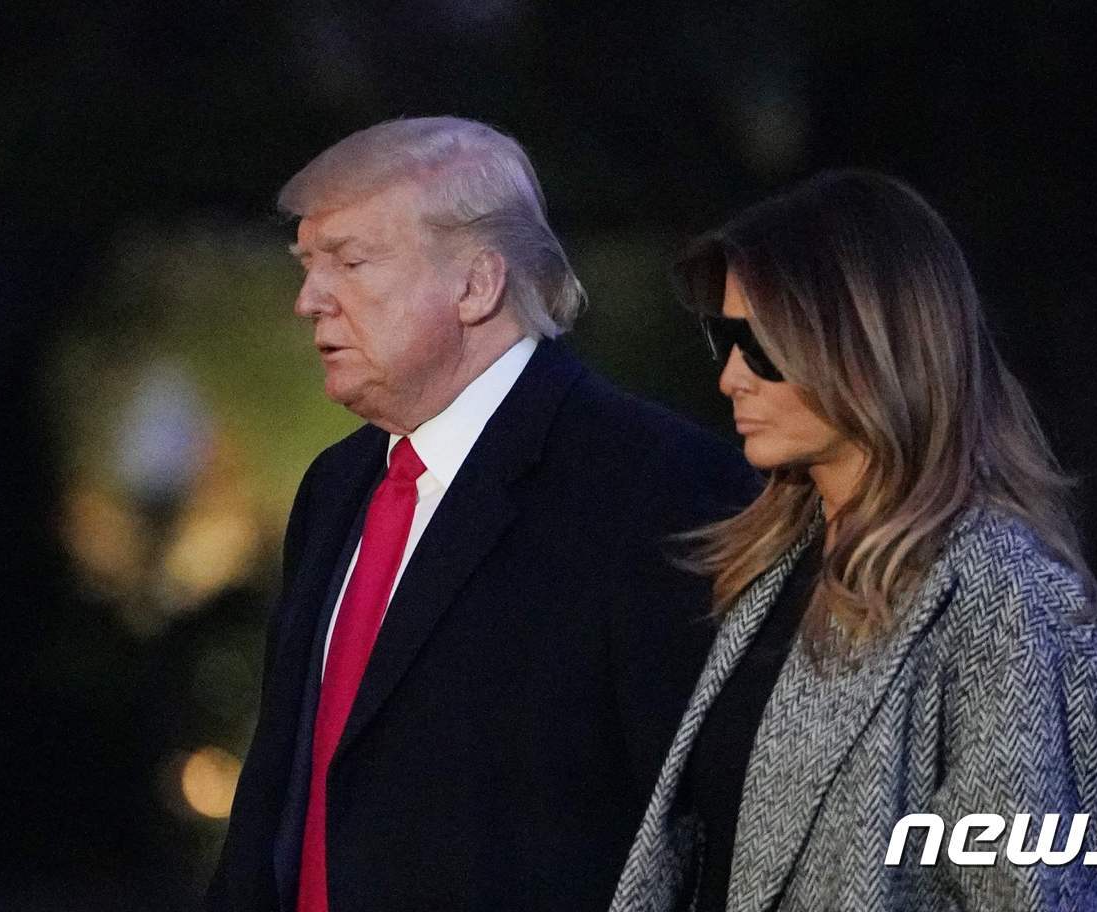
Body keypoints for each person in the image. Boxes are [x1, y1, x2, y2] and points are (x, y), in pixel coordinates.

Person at [205, 117, 763, 912]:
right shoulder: (336, 486)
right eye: (306, 265)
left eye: (351, 262)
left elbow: (709, 829)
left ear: (476, 284)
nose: (308, 300)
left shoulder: (656, 486)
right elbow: (282, 794)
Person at [609, 171, 1097, 911]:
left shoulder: (1000, 591)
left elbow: (1033, 897)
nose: (730, 377)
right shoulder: (775, 567)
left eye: (759, 346)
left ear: (863, 346)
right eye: (725, 341)